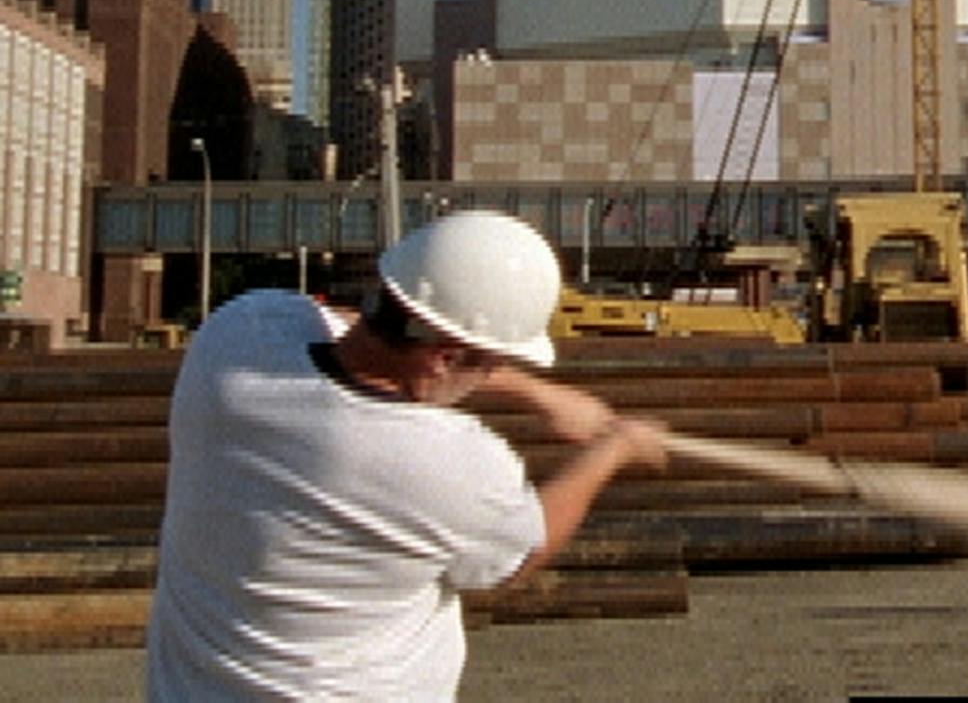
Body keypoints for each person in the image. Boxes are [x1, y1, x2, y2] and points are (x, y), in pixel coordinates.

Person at [146, 209, 671, 700]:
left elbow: (354, 326)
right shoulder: (447, 465)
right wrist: (612, 450)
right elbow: (523, 550)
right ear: (444, 359)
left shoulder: (238, 333)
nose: (490, 377)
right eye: (489, 366)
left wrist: (535, 392)